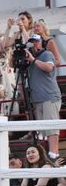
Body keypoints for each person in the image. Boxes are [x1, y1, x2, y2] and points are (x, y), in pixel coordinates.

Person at [26, 34, 62, 162]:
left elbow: (49, 67)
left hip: (49, 96)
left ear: (41, 42)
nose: (34, 44)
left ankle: (54, 154)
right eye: (31, 42)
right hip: (37, 99)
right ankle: (44, 156)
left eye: (36, 41)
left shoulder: (46, 54)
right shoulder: (30, 58)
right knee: (43, 129)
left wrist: (33, 60)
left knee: (51, 127)